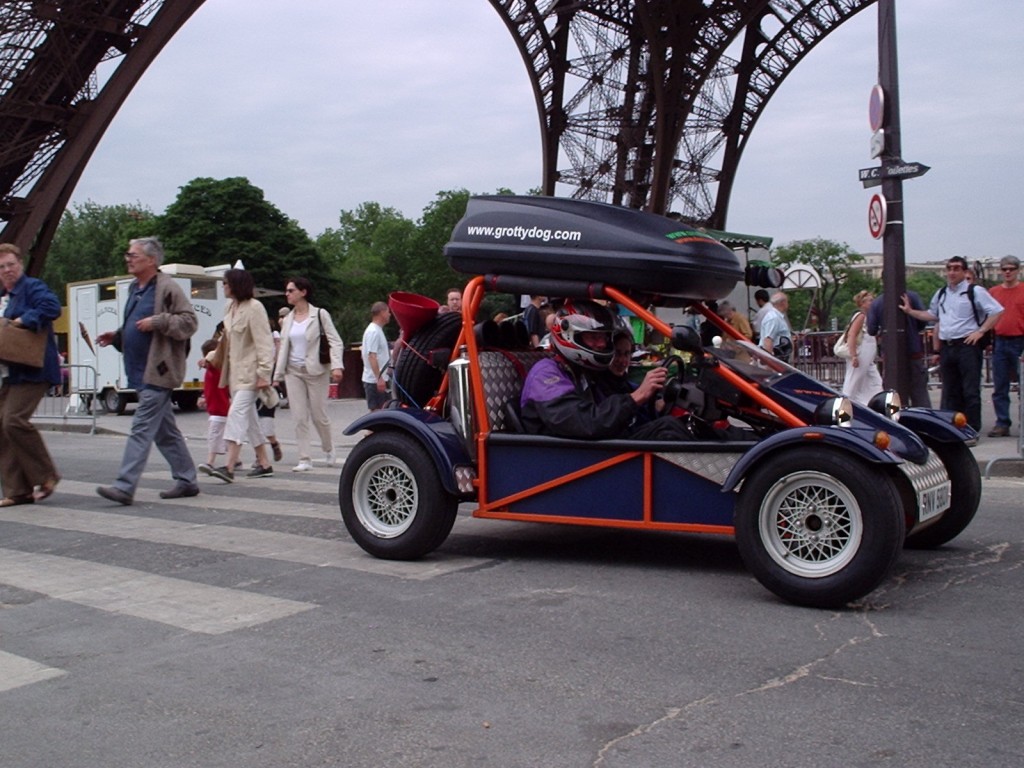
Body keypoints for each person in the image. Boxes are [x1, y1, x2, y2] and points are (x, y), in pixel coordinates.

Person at [95, 237, 199, 504]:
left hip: (159, 371)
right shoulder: (135, 288)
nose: (128, 258)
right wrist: (118, 336)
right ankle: (187, 480)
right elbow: (135, 324)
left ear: (151, 260)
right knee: (165, 431)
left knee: (141, 427)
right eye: (127, 254)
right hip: (140, 371)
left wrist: (158, 321)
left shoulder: (167, 287)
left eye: (134, 255)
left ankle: (125, 486)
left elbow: (189, 322)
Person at [520, 298, 675, 439]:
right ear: (568, 335)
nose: (601, 344)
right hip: (570, 458)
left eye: (604, 337)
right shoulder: (546, 374)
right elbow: (586, 423)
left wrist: (650, 398)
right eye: (594, 337)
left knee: (669, 424)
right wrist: (636, 397)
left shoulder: (580, 369)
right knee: (666, 429)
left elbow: (614, 391)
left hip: (596, 449)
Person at [901, 255, 1003, 431]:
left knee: (970, 390)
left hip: (967, 345)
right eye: (949, 268)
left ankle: (971, 428)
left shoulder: (975, 291)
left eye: (956, 268)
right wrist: (910, 311)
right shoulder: (941, 293)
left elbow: (996, 310)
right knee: (950, 390)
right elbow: (932, 315)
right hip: (948, 346)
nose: (952, 272)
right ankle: (953, 428)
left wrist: (981, 331)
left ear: (964, 271)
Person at [0, 243, 62, 506]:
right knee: (1, 427)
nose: (7, 270)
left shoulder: (32, 287)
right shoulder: (5, 296)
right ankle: (17, 490)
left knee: (13, 420)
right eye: (1, 267)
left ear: (20, 265)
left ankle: (47, 474)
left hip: (33, 369)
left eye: (11, 265)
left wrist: (24, 319)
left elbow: (52, 307)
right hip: (10, 371)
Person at [208, 268, 275, 483]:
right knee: (251, 419)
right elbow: (225, 341)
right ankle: (264, 463)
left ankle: (229, 465)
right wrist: (210, 356)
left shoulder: (255, 308)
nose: (223, 286)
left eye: (226, 283)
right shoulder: (230, 308)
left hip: (252, 374)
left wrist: (264, 373)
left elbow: (265, 343)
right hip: (235, 374)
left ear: (236, 284)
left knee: (236, 414)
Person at [274, 276, 344, 471]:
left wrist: (337, 366)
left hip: (316, 370)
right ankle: (304, 458)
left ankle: (329, 448)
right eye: (286, 291)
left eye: (291, 290)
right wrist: (277, 375)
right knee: (298, 416)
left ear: (303, 292)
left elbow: (335, 341)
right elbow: (283, 348)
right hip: (293, 371)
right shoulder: (287, 320)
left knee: (318, 415)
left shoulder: (320, 314)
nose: (287, 294)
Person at [866, 290, 930, 407]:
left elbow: (871, 329)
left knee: (892, 394)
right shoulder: (912, 296)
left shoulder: (877, 303)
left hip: (890, 354)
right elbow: (923, 321)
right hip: (913, 350)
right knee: (919, 393)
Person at [987, 255, 1024, 437]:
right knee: (1000, 386)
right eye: (1004, 269)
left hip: (1020, 341)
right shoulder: (993, 292)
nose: (1007, 272)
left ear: (1018, 271)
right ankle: (1002, 422)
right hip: (1000, 341)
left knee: (1023, 385)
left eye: (1011, 269)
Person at [840, 290, 884, 405]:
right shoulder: (861, 316)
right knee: (853, 380)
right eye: (870, 301)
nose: (872, 302)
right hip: (861, 354)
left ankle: (872, 401)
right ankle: (845, 403)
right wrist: (853, 355)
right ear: (862, 304)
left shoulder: (868, 317)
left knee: (875, 380)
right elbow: (852, 334)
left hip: (868, 356)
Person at [196, 337, 230, 474]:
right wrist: (204, 397)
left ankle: (210, 461)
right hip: (217, 407)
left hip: (219, 409)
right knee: (225, 435)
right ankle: (236, 459)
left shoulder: (215, 369)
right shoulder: (215, 370)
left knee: (214, 435)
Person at [360, 301, 391, 411]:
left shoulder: (377, 330)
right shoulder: (373, 332)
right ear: (382, 312)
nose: (389, 314)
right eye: (388, 311)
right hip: (374, 380)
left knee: (382, 412)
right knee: (377, 413)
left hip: (378, 378)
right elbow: (371, 356)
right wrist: (379, 378)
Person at [758, 292, 793, 362]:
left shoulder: (777, 317)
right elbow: (768, 339)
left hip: (780, 357)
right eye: (787, 301)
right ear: (783, 302)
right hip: (777, 358)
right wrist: (768, 361)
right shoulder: (774, 318)